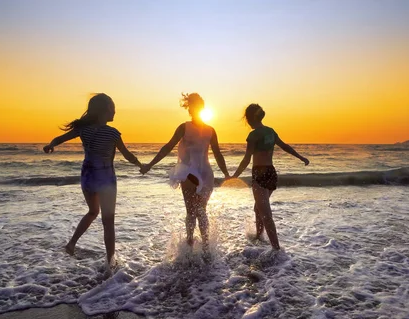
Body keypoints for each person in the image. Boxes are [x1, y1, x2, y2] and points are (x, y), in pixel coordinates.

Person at [43, 93, 142, 268]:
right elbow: (126, 155)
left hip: (87, 176)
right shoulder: (113, 133)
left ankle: (71, 244)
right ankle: (111, 262)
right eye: (113, 108)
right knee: (108, 221)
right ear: (105, 111)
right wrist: (141, 165)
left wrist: (51, 145)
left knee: (92, 211)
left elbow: (60, 139)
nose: (115, 112)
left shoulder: (84, 130)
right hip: (105, 177)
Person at [140, 93, 230, 252]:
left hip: (205, 174)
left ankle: (204, 246)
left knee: (200, 210)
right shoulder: (184, 128)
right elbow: (168, 147)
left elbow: (218, 154)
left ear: (201, 108)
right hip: (188, 173)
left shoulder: (210, 130)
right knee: (194, 210)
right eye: (194, 107)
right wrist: (150, 164)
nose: (195, 109)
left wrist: (227, 175)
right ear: (190, 108)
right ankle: (193, 243)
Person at [232, 104, 309, 250]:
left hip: (259, 174)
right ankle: (259, 237)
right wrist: (300, 157)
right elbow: (285, 146)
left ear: (248, 118)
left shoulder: (253, 135)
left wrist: (234, 176)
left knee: (266, 214)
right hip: (271, 174)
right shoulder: (271, 131)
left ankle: (276, 249)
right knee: (258, 208)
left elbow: (247, 159)